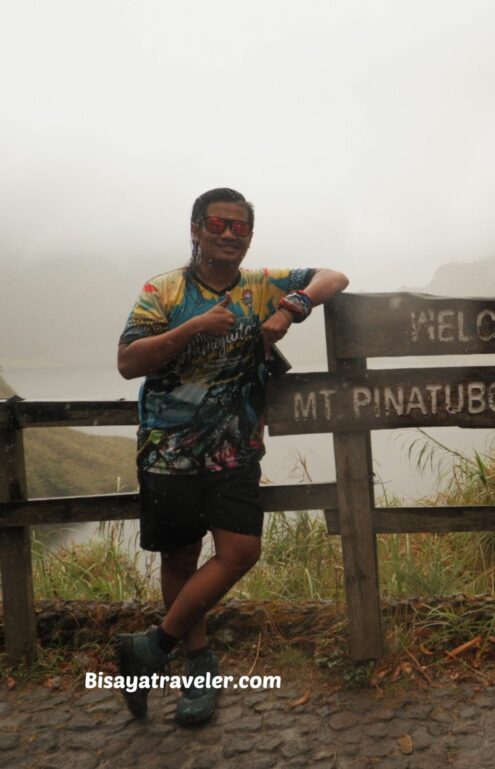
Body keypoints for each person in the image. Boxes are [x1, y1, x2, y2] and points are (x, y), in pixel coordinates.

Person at [116, 187, 349, 723]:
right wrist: (195, 326)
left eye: (240, 228)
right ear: (196, 229)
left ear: (249, 237)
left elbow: (334, 276)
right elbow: (128, 362)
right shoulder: (164, 290)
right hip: (168, 452)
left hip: (234, 450)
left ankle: (151, 649)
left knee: (241, 552)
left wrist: (293, 307)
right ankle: (197, 670)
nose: (229, 234)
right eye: (218, 224)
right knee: (179, 559)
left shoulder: (261, 286)